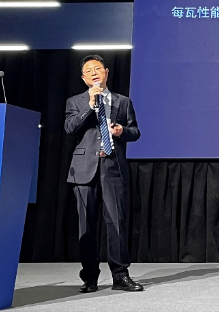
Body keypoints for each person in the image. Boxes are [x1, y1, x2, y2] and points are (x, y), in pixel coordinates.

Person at [64, 54, 144, 292]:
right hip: (84, 169)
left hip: (113, 168)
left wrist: (121, 131)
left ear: (106, 72)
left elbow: (135, 131)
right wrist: (90, 105)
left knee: (117, 222)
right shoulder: (75, 101)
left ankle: (120, 276)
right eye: (88, 71)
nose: (94, 73)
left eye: (97, 69)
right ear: (83, 78)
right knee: (86, 225)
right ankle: (90, 277)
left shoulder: (123, 101)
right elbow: (70, 128)